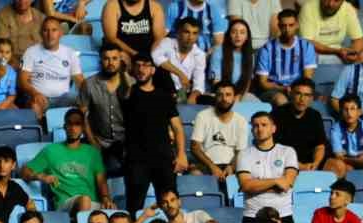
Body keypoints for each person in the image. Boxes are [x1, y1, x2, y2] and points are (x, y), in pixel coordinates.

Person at [120, 54, 188, 213]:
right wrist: (125, 72)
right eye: (137, 65)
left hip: (163, 158)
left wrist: (181, 154)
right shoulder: (129, 93)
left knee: (169, 204)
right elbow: (125, 94)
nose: (141, 69)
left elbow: (177, 127)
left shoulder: (164, 96)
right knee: (134, 206)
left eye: (145, 65)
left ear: (153, 69)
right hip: (136, 160)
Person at [22, 107, 112, 213]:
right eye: (70, 124)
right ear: (64, 127)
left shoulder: (92, 153)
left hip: (93, 205)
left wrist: (106, 198)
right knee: (84, 200)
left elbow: (101, 180)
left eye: (77, 124)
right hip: (65, 204)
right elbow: (25, 172)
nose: (73, 128)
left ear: (83, 128)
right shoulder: (51, 151)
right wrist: (40, 176)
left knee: (114, 211)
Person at [236, 112, 298, 223]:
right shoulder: (244, 154)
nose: (260, 129)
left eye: (264, 125)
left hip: (282, 216)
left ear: (273, 128)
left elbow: (286, 184)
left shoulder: (287, 152)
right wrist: (276, 181)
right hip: (252, 216)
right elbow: (246, 186)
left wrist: (257, 185)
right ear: (252, 130)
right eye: (255, 126)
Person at [81, 43, 130, 171]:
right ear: (100, 60)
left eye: (114, 58)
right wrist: (93, 142)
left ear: (120, 60)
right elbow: (82, 117)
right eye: (106, 59)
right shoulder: (89, 84)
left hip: (126, 142)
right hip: (99, 140)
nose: (110, 63)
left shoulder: (131, 84)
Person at [191, 83, 250, 189]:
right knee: (194, 174)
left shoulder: (241, 121)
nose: (224, 99)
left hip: (232, 165)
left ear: (234, 98)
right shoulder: (203, 116)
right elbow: (195, 147)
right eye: (220, 95)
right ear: (215, 97)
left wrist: (231, 167)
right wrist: (212, 166)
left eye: (228, 95)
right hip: (207, 165)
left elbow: (240, 151)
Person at [255, 9, 317, 105]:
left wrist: (294, 90)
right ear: (279, 26)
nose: (287, 29)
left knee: (307, 99)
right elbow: (263, 83)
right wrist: (282, 88)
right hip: (274, 90)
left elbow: (307, 78)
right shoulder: (267, 49)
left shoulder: (306, 46)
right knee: (281, 100)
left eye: (291, 25)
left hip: (298, 89)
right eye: (284, 26)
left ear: (297, 25)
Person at [271, 78, 328, 171]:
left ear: (312, 98)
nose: (302, 99)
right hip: (283, 163)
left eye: (307, 95)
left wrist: (316, 163)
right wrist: (300, 166)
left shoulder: (315, 115)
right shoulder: (277, 114)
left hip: (310, 164)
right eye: (298, 94)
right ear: (291, 94)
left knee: (337, 166)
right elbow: (274, 151)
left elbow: (320, 146)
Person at [324, 94, 363, 176]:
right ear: (341, 112)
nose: (349, 113)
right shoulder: (336, 129)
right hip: (347, 161)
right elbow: (339, 157)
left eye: (352, 109)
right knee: (348, 168)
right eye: (345, 109)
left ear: (359, 112)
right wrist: (357, 160)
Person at [155, 16, 209, 101]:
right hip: (163, 91)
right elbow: (155, 56)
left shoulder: (200, 55)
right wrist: (180, 74)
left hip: (182, 94)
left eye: (194, 33)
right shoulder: (167, 42)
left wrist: (193, 96)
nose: (190, 37)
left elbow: (199, 83)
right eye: (187, 32)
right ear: (178, 32)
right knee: (162, 71)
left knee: (207, 100)